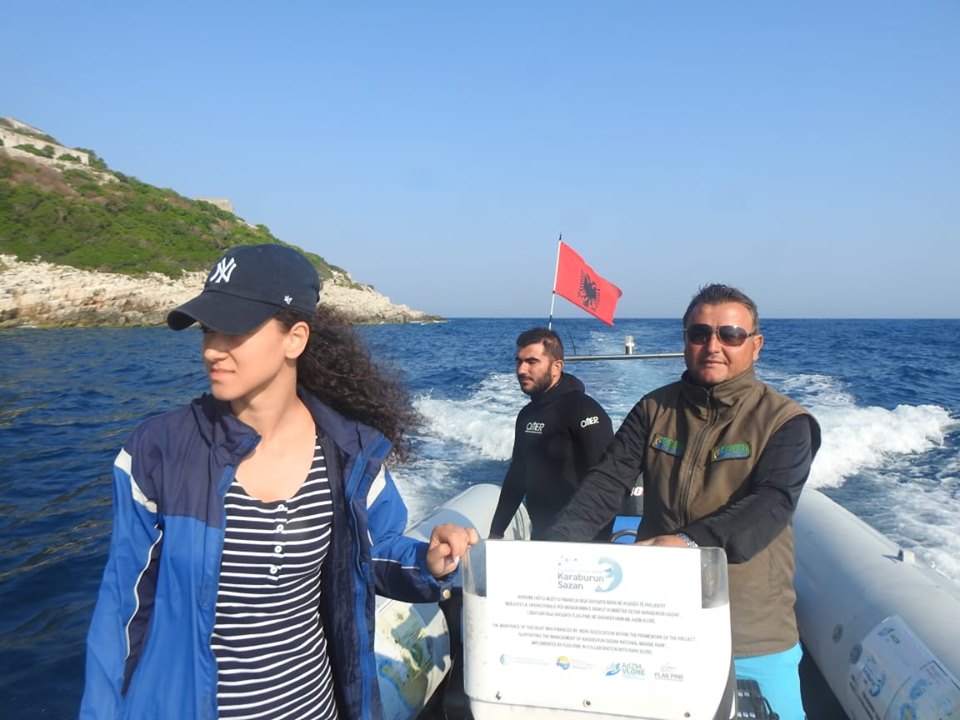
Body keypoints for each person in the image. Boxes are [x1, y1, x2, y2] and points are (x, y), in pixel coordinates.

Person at [80, 244, 479, 720]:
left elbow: (373, 552)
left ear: (295, 339)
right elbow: (121, 614)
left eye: (235, 329)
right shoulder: (157, 451)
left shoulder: (350, 455)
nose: (212, 349)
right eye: (209, 328)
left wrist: (430, 562)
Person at [543, 284, 821, 720]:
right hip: (662, 623)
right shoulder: (654, 409)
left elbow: (770, 504)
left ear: (755, 346)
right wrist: (552, 554)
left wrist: (689, 543)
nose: (713, 346)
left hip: (752, 629)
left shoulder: (786, 422)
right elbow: (604, 485)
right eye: (699, 333)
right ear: (685, 340)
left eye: (730, 334)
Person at [488, 327, 614, 541]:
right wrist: (496, 532)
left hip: (580, 541)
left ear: (556, 367)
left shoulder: (584, 410)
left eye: (532, 362)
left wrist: (594, 545)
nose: (521, 370)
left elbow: (605, 485)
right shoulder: (526, 415)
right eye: (518, 361)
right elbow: (517, 477)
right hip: (541, 537)